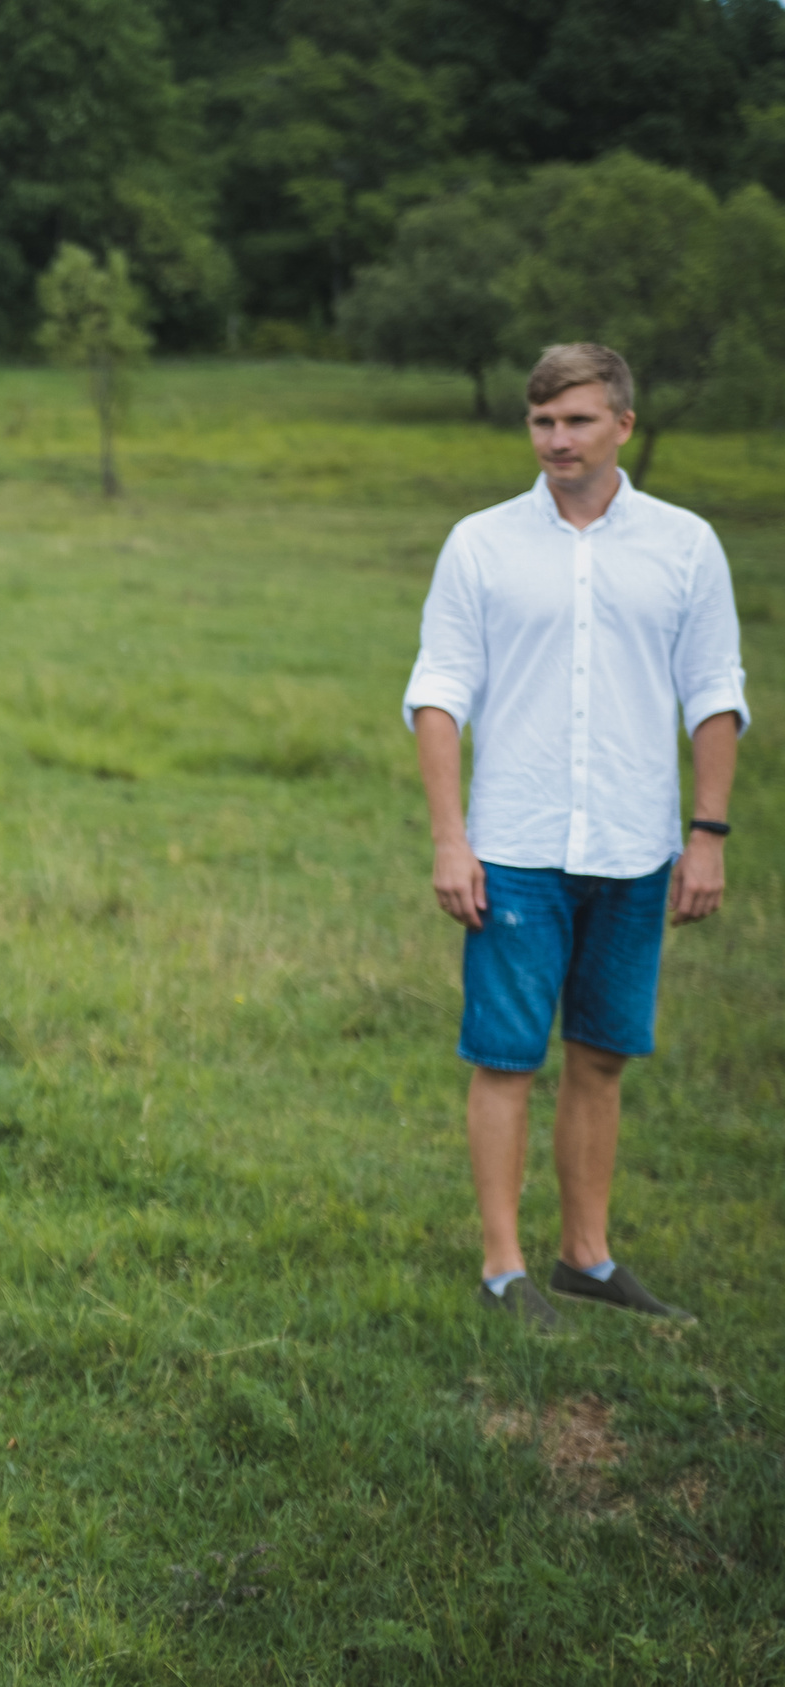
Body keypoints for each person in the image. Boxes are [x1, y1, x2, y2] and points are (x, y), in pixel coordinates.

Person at [403, 343, 749, 1333]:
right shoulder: (480, 543)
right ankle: (504, 1267)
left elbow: (713, 695)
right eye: (542, 422)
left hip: (637, 846)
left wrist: (707, 834)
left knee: (600, 1056)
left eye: (577, 421)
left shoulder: (685, 545)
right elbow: (438, 694)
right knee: (505, 1057)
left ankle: (585, 1259)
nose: (557, 439)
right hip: (511, 845)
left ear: (622, 426)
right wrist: (448, 838)